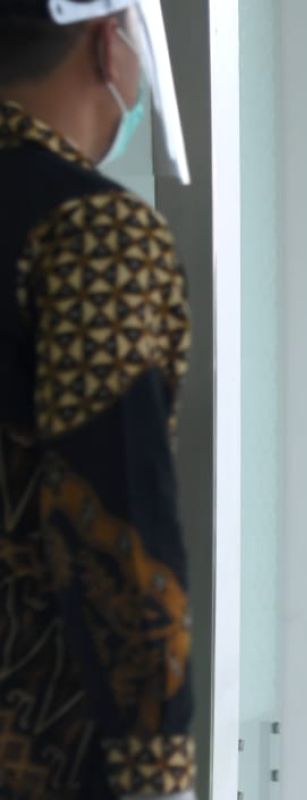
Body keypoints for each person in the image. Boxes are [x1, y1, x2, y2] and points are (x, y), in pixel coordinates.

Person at [1, 2, 194, 799]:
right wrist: (156, 769)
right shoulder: (89, 230)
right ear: (107, 41)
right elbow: (117, 517)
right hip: (40, 739)